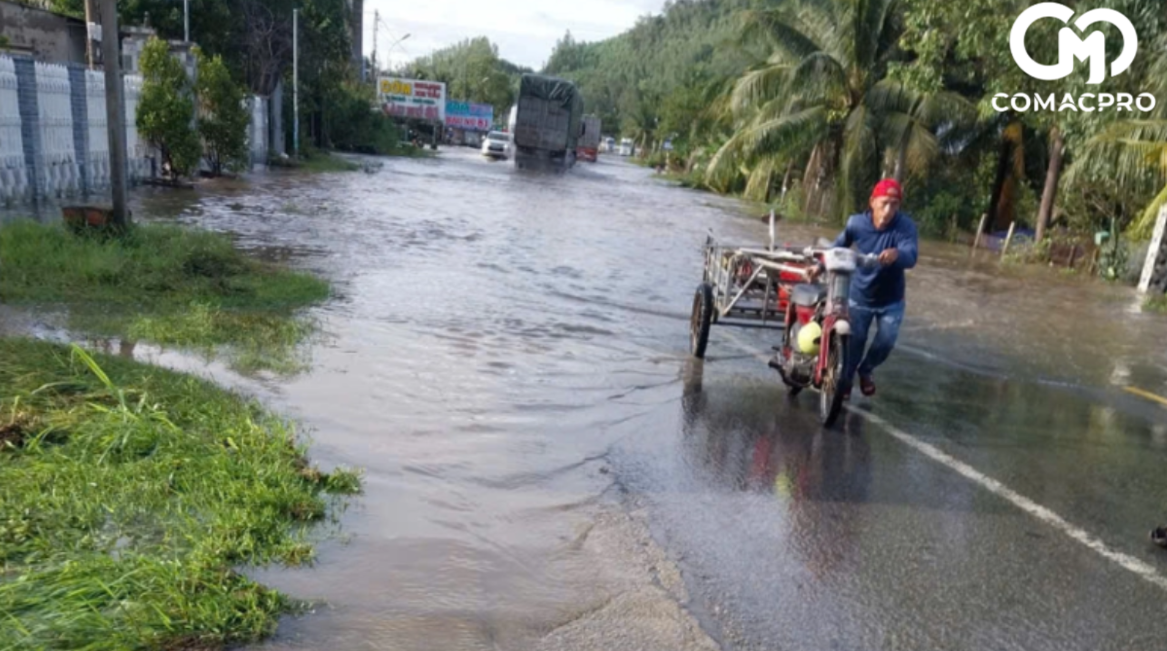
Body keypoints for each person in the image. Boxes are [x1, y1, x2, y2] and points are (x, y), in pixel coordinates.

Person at [830, 178, 918, 399]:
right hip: (859, 295)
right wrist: (818, 264)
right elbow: (837, 248)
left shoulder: (905, 227)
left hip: (891, 300)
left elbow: (911, 255)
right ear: (872, 201)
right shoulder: (856, 224)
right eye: (884, 203)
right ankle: (846, 379)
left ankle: (866, 369)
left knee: (886, 341)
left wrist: (897, 254)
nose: (888, 210)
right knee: (855, 341)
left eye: (895, 205)